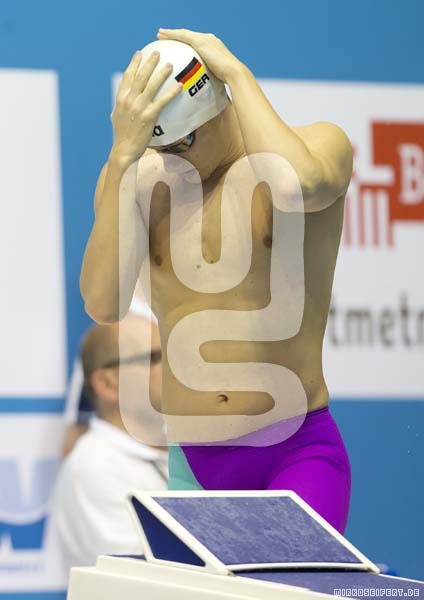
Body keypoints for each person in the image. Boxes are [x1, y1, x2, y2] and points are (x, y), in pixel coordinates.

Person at [80, 29, 353, 533]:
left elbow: (297, 187)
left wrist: (234, 73)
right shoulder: (143, 180)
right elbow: (103, 302)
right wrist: (122, 156)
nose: (175, 157)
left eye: (185, 140)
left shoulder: (318, 143)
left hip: (294, 449)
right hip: (194, 462)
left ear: (220, 102)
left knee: (292, 576)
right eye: (161, 145)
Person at [49, 314, 167, 577]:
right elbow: (134, 579)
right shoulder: (94, 465)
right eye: (154, 358)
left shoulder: (190, 454)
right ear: (107, 384)